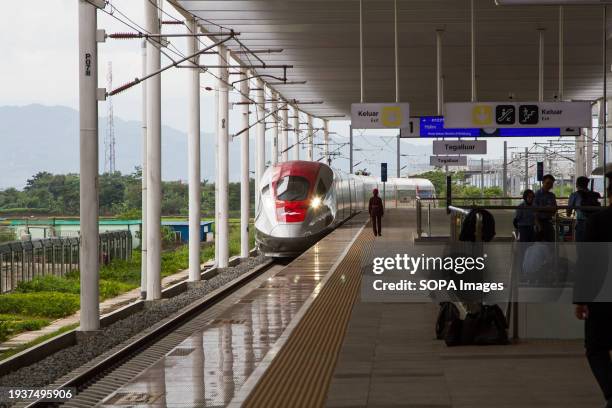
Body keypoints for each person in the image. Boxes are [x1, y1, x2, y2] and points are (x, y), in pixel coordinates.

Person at [575, 172, 612, 408]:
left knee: (596, 347)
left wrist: (581, 299)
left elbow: (588, 262)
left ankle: (611, 393)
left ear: (609, 194)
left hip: (603, 294)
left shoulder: (598, 221)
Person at [567, 176, 601, 242]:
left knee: (581, 247)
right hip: (594, 223)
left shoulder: (574, 195)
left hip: (581, 224)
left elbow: (568, 213)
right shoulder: (595, 194)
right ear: (587, 184)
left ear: (577, 184)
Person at [534, 174, 557, 242]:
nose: (549, 185)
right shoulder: (536, 194)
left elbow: (554, 210)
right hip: (539, 223)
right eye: (548, 183)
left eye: (551, 184)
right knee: (539, 245)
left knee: (551, 243)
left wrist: (542, 208)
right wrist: (548, 208)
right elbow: (535, 210)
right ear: (543, 182)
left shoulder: (552, 195)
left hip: (549, 222)